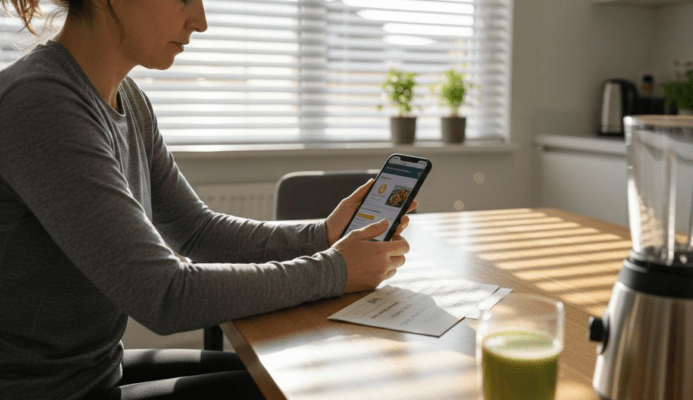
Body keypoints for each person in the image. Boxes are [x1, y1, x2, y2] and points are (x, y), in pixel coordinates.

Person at [0, 0, 414, 399]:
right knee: (287, 390)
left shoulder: (128, 100)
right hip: (43, 390)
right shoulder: (41, 102)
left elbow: (196, 231)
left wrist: (322, 234)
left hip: (95, 371)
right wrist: (335, 270)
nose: (200, 20)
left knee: (272, 374)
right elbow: (164, 295)